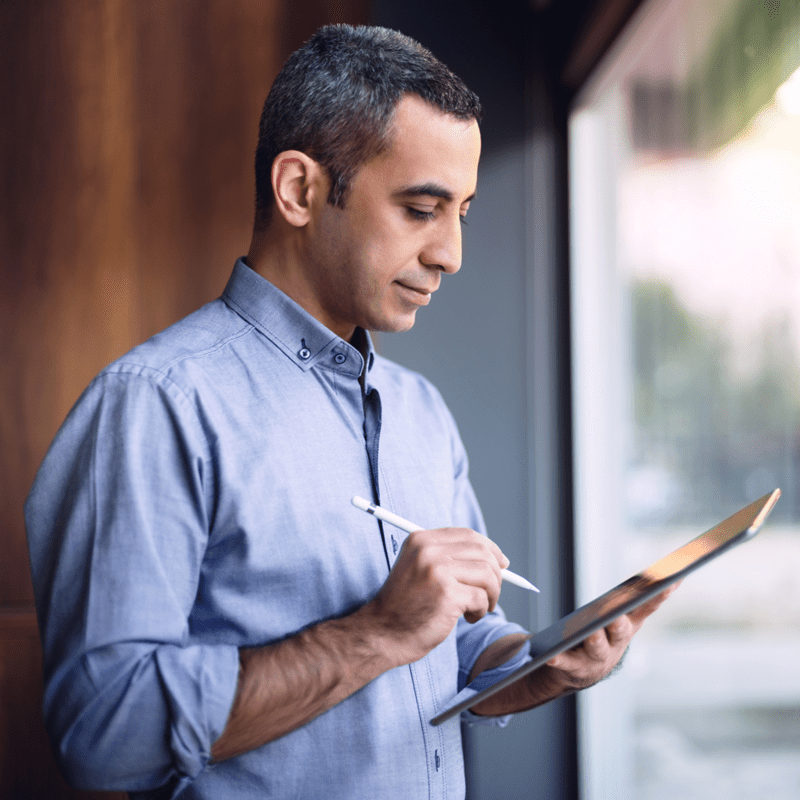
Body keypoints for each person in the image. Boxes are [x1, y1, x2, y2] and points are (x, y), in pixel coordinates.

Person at [25, 24, 671, 799]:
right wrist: (377, 632)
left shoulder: (421, 412)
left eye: (461, 210)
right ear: (299, 190)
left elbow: (454, 651)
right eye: (420, 208)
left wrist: (538, 665)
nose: (451, 254)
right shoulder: (156, 406)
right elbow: (103, 733)